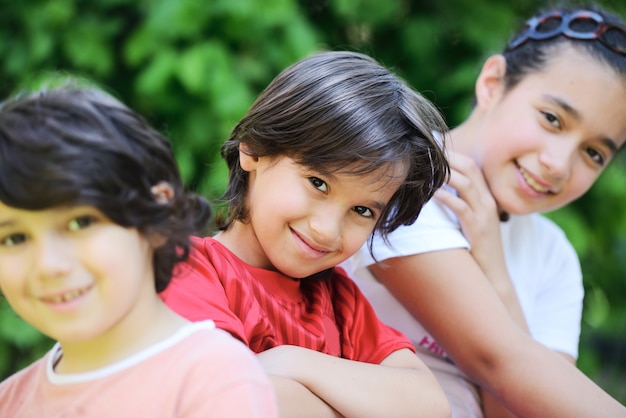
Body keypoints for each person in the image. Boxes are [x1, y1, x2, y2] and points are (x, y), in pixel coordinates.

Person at [342, 4, 626, 418]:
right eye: (552, 119)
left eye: (594, 153)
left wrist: (495, 270)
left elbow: (516, 410)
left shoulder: (554, 256)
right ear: (493, 84)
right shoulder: (405, 177)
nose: (560, 164)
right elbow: (499, 363)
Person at [161, 50, 452, 418]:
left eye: (362, 211)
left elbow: (429, 406)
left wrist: (291, 361)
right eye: (318, 183)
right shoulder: (189, 271)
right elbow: (225, 399)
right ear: (254, 148)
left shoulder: (340, 301)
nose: (327, 229)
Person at [0, 86, 277, 417]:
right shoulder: (9, 400)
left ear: (156, 217)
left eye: (80, 222)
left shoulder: (213, 381)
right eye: (14, 239)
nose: (48, 265)